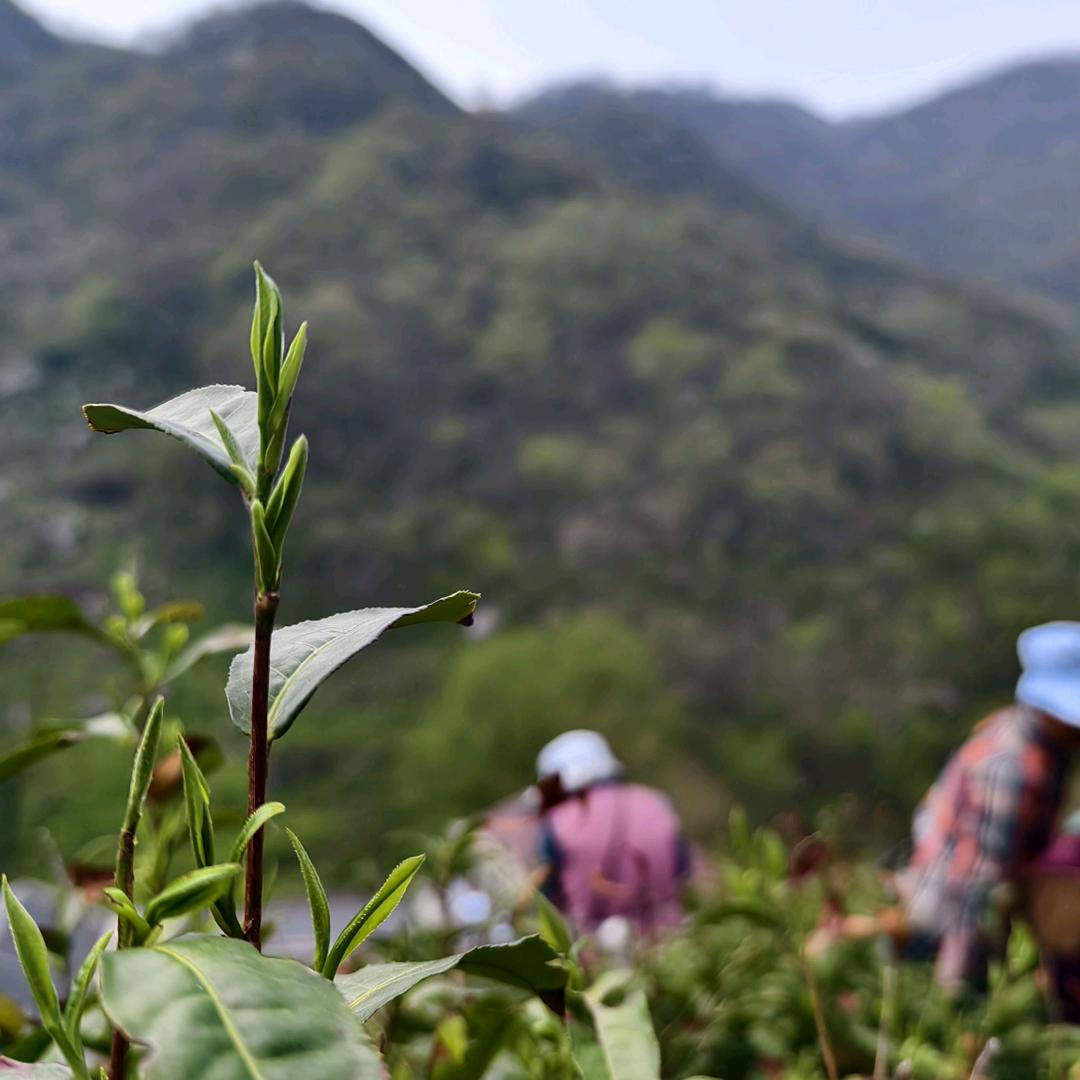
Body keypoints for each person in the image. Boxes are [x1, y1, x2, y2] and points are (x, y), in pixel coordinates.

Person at [825, 622, 1080, 995]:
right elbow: (978, 888)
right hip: (941, 930)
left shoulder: (1047, 751)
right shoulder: (1012, 766)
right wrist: (962, 986)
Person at [534, 729, 690, 939]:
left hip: (591, 951)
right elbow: (683, 870)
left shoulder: (556, 821)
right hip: (668, 942)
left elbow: (547, 894)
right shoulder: (657, 803)